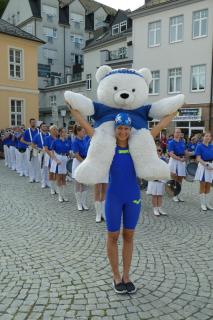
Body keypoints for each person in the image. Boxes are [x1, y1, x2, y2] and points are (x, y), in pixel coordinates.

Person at [50, 128, 72, 202]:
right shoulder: (55, 141)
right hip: (58, 158)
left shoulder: (68, 141)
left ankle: (64, 195)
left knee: (64, 178)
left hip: (65, 159)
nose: (66, 133)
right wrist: (56, 160)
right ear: (60, 133)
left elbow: (69, 152)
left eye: (66, 132)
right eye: (64, 132)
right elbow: (52, 152)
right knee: (59, 178)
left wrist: (72, 155)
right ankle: (60, 195)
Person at [72, 125, 89, 211]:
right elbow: (76, 154)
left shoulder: (85, 139)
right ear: (78, 132)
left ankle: (84, 203)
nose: (84, 132)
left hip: (85, 161)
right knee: (78, 183)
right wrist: (84, 162)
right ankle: (79, 204)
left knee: (85, 183)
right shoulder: (75, 141)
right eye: (83, 131)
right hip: (78, 162)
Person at [194, 132, 213, 211]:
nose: (208, 137)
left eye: (209, 136)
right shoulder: (199, 146)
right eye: (206, 136)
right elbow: (198, 158)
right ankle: (202, 203)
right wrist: (206, 165)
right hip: (203, 166)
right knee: (203, 184)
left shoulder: (212, 146)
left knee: (209, 185)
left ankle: (207, 203)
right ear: (203, 137)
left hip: (211, 166)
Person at [168, 128, 188, 202]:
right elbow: (171, 154)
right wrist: (180, 159)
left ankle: (178, 194)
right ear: (174, 133)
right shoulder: (171, 142)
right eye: (176, 132)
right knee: (175, 178)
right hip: (175, 161)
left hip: (182, 161)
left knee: (180, 179)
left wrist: (186, 157)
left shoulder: (182, 142)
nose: (178, 134)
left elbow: (186, 151)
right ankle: (174, 194)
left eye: (179, 132)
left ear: (181, 134)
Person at [147, 146, 168, 216]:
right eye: (156, 150)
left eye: (159, 150)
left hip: (161, 179)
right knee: (154, 195)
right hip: (154, 179)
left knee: (160, 195)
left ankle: (159, 208)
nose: (158, 152)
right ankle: (155, 208)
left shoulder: (164, 159)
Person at [21, 119, 40, 183]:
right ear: (30, 123)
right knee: (30, 163)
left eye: (34, 122)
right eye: (32, 122)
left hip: (37, 148)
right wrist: (28, 143)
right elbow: (21, 140)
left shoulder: (38, 131)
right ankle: (32, 178)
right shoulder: (27, 131)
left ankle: (37, 178)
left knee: (37, 164)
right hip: (29, 148)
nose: (33, 123)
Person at [32, 123, 50, 188]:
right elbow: (32, 144)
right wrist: (38, 148)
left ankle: (48, 182)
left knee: (48, 168)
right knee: (42, 168)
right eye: (43, 126)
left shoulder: (49, 135)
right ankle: (43, 182)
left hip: (49, 153)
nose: (45, 127)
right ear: (40, 128)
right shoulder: (37, 135)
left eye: (45, 126)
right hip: (41, 153)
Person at [44, 125, 58, 195]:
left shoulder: (58, 138)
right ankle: (52, 188)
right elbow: (46, 149)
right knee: (51, 172)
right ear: (51, 131)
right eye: (54, 129)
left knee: (57, 173)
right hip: (50, 155)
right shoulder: (47, 138)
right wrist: (52, 156)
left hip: (57, 155)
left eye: (56, 129)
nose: (56, 131)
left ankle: (56, 187)